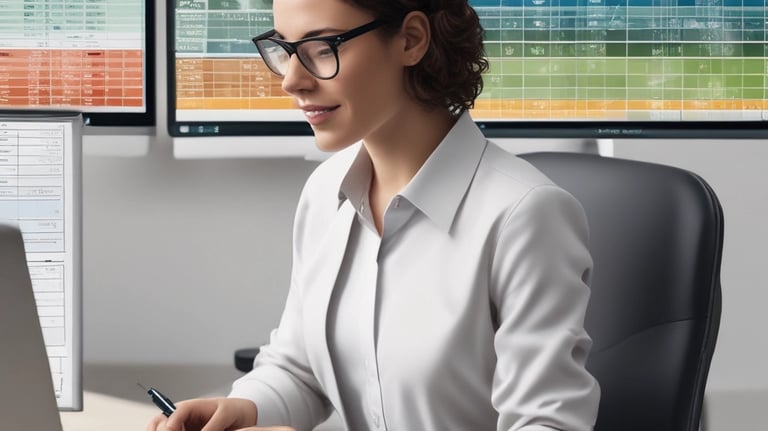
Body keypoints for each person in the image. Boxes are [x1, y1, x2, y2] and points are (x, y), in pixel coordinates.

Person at [148, 0, 600, 430]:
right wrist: (242, 410)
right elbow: (299, 369)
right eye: (284, 50)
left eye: (322, 49)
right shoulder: (325, 192)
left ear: (411, 40)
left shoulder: (525, 215)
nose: (291, 80)